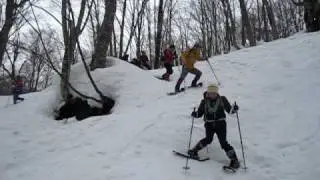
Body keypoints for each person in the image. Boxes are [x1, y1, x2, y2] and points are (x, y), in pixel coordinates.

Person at [188, 84, 240, 169]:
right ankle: (193, 151)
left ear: (217, 93)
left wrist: (234, 109)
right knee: (208, 139)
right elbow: (199, 113)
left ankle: (234, 160)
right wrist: (195, 114)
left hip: (221, 124)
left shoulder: (222, 99)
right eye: (210, 92)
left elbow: (230, 111)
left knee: (223, 143)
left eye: (214, 93)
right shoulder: (204, 101)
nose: (212, 94)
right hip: (209, 124)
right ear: (208, 92)